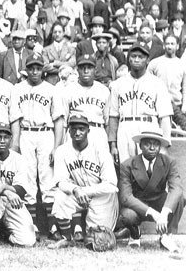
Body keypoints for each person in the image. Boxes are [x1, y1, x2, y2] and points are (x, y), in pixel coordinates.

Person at [48, 114, 118, 249]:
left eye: (81, 129)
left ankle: (113, 229)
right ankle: (67, 238)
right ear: (68, 130)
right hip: (77, 193)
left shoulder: (101, 150)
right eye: (73, 129)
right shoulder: (62, 151)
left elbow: (111, 183)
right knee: (60, 196)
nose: (77, 132)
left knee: (96, 241)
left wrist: (83, 191)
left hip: (101, 197)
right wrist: (75, 189)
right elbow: (60, 181)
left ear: (88, 130)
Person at [14, 53, 65, 235]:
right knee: (27, 179)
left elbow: (59, 120)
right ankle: (31, 225)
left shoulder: (51, 89)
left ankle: (52, 226)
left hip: (45, 134)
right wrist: (15, 144)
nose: (35, 71)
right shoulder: (17, 89)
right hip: (25, 133)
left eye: (38, 68)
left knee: (48, 179)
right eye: (31, 68)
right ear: (26, 70)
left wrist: (57, 147)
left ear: (42, 70)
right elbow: (15, 119)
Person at [117, 129, 184, 252]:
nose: (152, 147)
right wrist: (153, 213)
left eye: (156, 144)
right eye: (148, 143)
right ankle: (134, 234)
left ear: (160, 146)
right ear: (140, 145)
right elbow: (125, 197)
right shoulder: (127, 165)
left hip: (159, 202)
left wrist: (164, 213)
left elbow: (176, 188)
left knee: (179, 198)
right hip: (138, 205)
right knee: (127, 215)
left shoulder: (169, 162)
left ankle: (166, 236)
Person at [108, 42, 173, 164]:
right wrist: (113, 145)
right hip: (125, 128)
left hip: (148, 127)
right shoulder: (118, 84)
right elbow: (113, 116)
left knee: (148, 171)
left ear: (147, 60)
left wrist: (164, 145)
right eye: (133, 56)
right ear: (128, 59)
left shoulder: (157, 84)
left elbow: (165, 117)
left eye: (141, 57)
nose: (136, 59)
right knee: (126, 170)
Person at [62, 54, 110, 152]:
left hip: (97, 131)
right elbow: (64, 122)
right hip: (76, 132)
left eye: (89, 68)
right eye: (82, 68)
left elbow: (107, 121)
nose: (86, 71)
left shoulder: (104, 90)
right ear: (77, 70)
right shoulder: (68, 90)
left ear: (95, 70)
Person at [147, 35, 186, 131]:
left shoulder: (181, 65)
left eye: (172, 44)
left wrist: (184, 105)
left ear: (177, 46)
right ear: (164, 46)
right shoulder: (154, 63)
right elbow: (147, 84)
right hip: (158, 105)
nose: (169, 46)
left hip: (177, 105)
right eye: (167, 43)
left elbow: (185, 86)